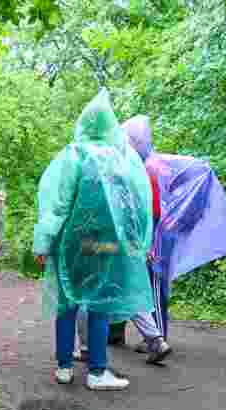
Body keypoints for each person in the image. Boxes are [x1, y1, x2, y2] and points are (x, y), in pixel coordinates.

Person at [33, 89, 155, 391]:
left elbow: (58, 204)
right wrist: (139, 242)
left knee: (67, 303)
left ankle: (64, 366)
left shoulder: (73, 155)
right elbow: (137, 203)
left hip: (72, 245)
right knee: (100, 302)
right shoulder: (122, 160)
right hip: (106, 246)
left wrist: (43, 242)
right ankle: (97, 371)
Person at [74, 116, 171, 365]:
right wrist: (141, 244)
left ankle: (86, 348)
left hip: (97, 244)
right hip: (125, 244)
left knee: (87, 293)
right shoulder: (130, 172)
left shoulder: (91, 166)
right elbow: (138, 212)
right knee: (129, 289)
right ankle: (156, 340)